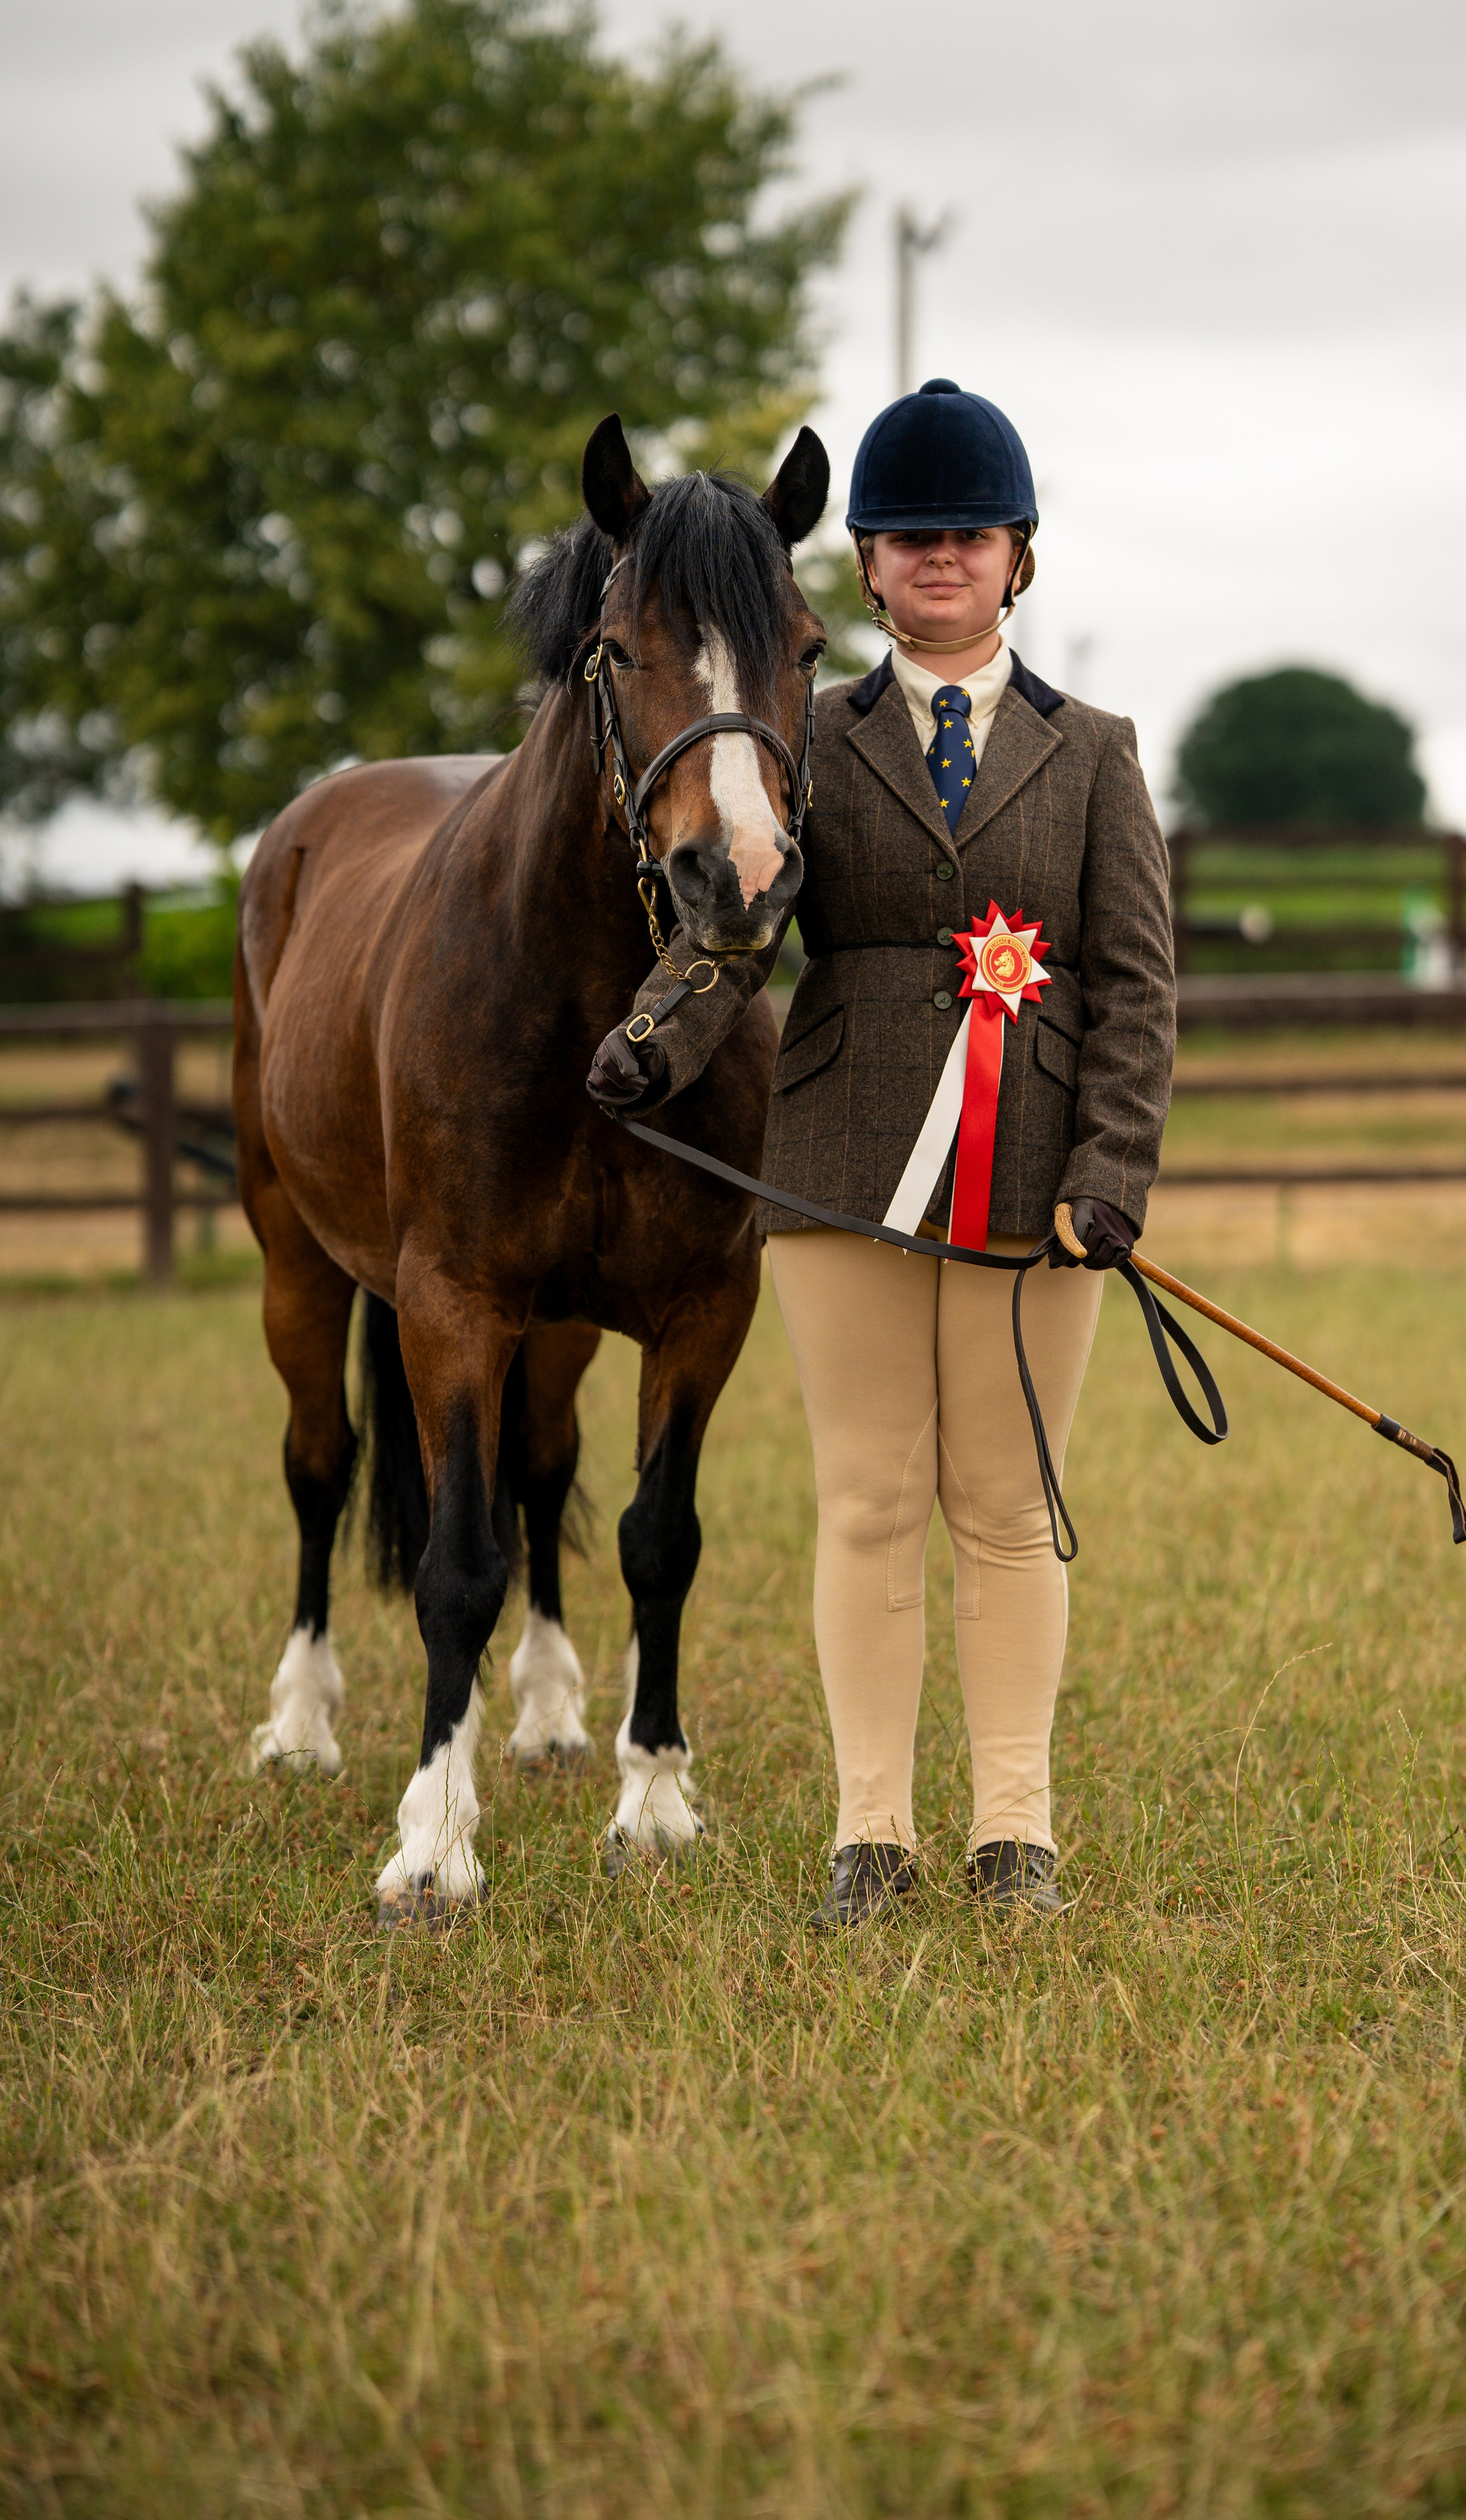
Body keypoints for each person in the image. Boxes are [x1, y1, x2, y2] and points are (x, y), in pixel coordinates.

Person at [589, 379, 1175, 1926]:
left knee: (1008, 1504)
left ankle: (1014, 1834)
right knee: (865, 1500)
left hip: (1036, 1186)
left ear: (1017, 556)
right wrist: (653, 1040)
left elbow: (1136, 989)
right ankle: (871, 1834)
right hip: (841, 1168)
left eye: (970, 533)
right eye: (910, 535)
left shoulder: (1097, 753)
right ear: (864, 565)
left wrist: (1111, 1174)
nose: (941, 556)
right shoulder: (806, 738)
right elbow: (736, 933)